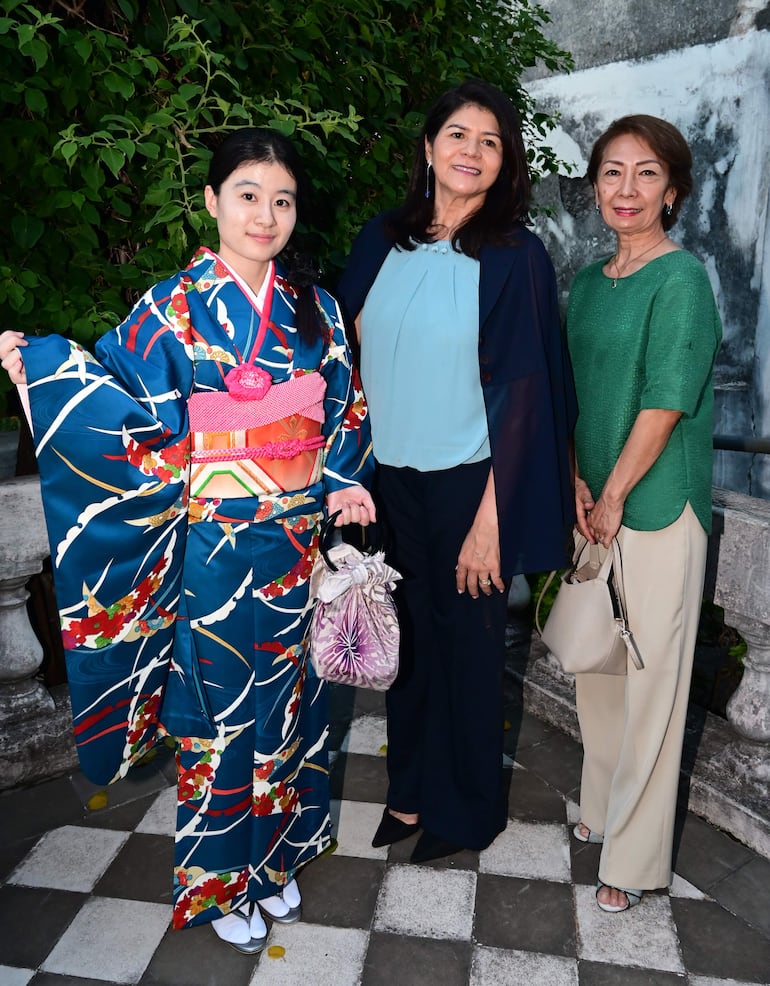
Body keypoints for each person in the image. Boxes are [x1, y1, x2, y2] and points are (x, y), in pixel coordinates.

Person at [0, 128, 375, 951]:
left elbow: (344, 409)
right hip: (212, 553)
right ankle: (218, 888)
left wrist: (344, 479)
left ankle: (271, 867)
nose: (265, 214)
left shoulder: (318, 311)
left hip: (294, 549)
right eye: (247, 194)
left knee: (290, 715)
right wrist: (44, 370)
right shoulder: (169, 309)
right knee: (218, 721)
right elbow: (118, 417)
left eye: (282, 199)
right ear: (211, 202)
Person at [338, 80, 576, 863]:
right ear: (429, 145)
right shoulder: (382, 238)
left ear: (505, 162)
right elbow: (344, 363)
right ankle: (407, 793)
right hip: (386, 486)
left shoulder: (516, 257)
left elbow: (529, 401)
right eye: (458, 135)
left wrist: (493, 519)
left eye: (491, 141)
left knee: (469, 654)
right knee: (401, 647)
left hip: (473, 482)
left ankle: (465, 808)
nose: (471, 151)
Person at [566, 115, 722, 912]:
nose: (627, 190)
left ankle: (633, 857)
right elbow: (568, 398)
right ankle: (599, 808)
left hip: (658, 505)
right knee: (601, 669)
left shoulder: (683, 278)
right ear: (595, 185)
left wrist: (617, 492)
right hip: (594, 503)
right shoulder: (589, 282)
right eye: (612, 173)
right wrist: (576, 485)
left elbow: (665, 402)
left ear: (674, 190)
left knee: (654, 681)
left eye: (647, 174)